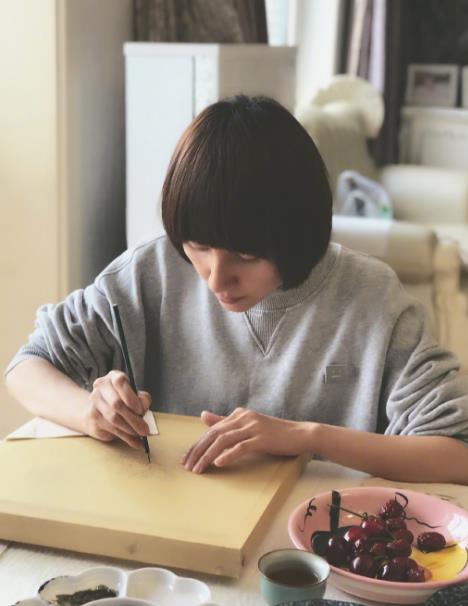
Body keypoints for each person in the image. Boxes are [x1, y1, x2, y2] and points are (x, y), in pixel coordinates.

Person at [5, 95, 468, 484]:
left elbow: (456, 453)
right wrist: (91, 411)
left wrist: (306, 437)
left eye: (245, 255)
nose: (215, 278)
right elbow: (27, 367)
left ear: (296, 234)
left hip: (317, 539)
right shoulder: (152, 270)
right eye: (199, 247)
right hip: (175, 528)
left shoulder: (370, 296)